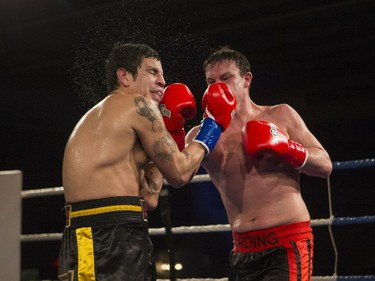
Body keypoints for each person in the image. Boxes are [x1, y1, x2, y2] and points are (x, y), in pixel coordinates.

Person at [58, 43, 236, 281]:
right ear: (124, 76)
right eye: (152, 72)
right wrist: (213, 125)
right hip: (105, 238)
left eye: (162, 74)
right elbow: (180, 174)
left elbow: (150, 197)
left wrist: (172, 132)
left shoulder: (105, 118)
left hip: (109, 232)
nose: (163, 81)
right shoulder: (138, 106)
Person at [186, 47, 333, 281]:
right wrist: (174, 131)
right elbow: (178, 176)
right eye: (210, 81)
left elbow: (324, 165)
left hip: (286, 242)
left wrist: (286, 147)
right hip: (241, 249)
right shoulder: (202, 134)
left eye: (226, 78)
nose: (218, 87)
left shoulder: (281, 115)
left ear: (247, 80)